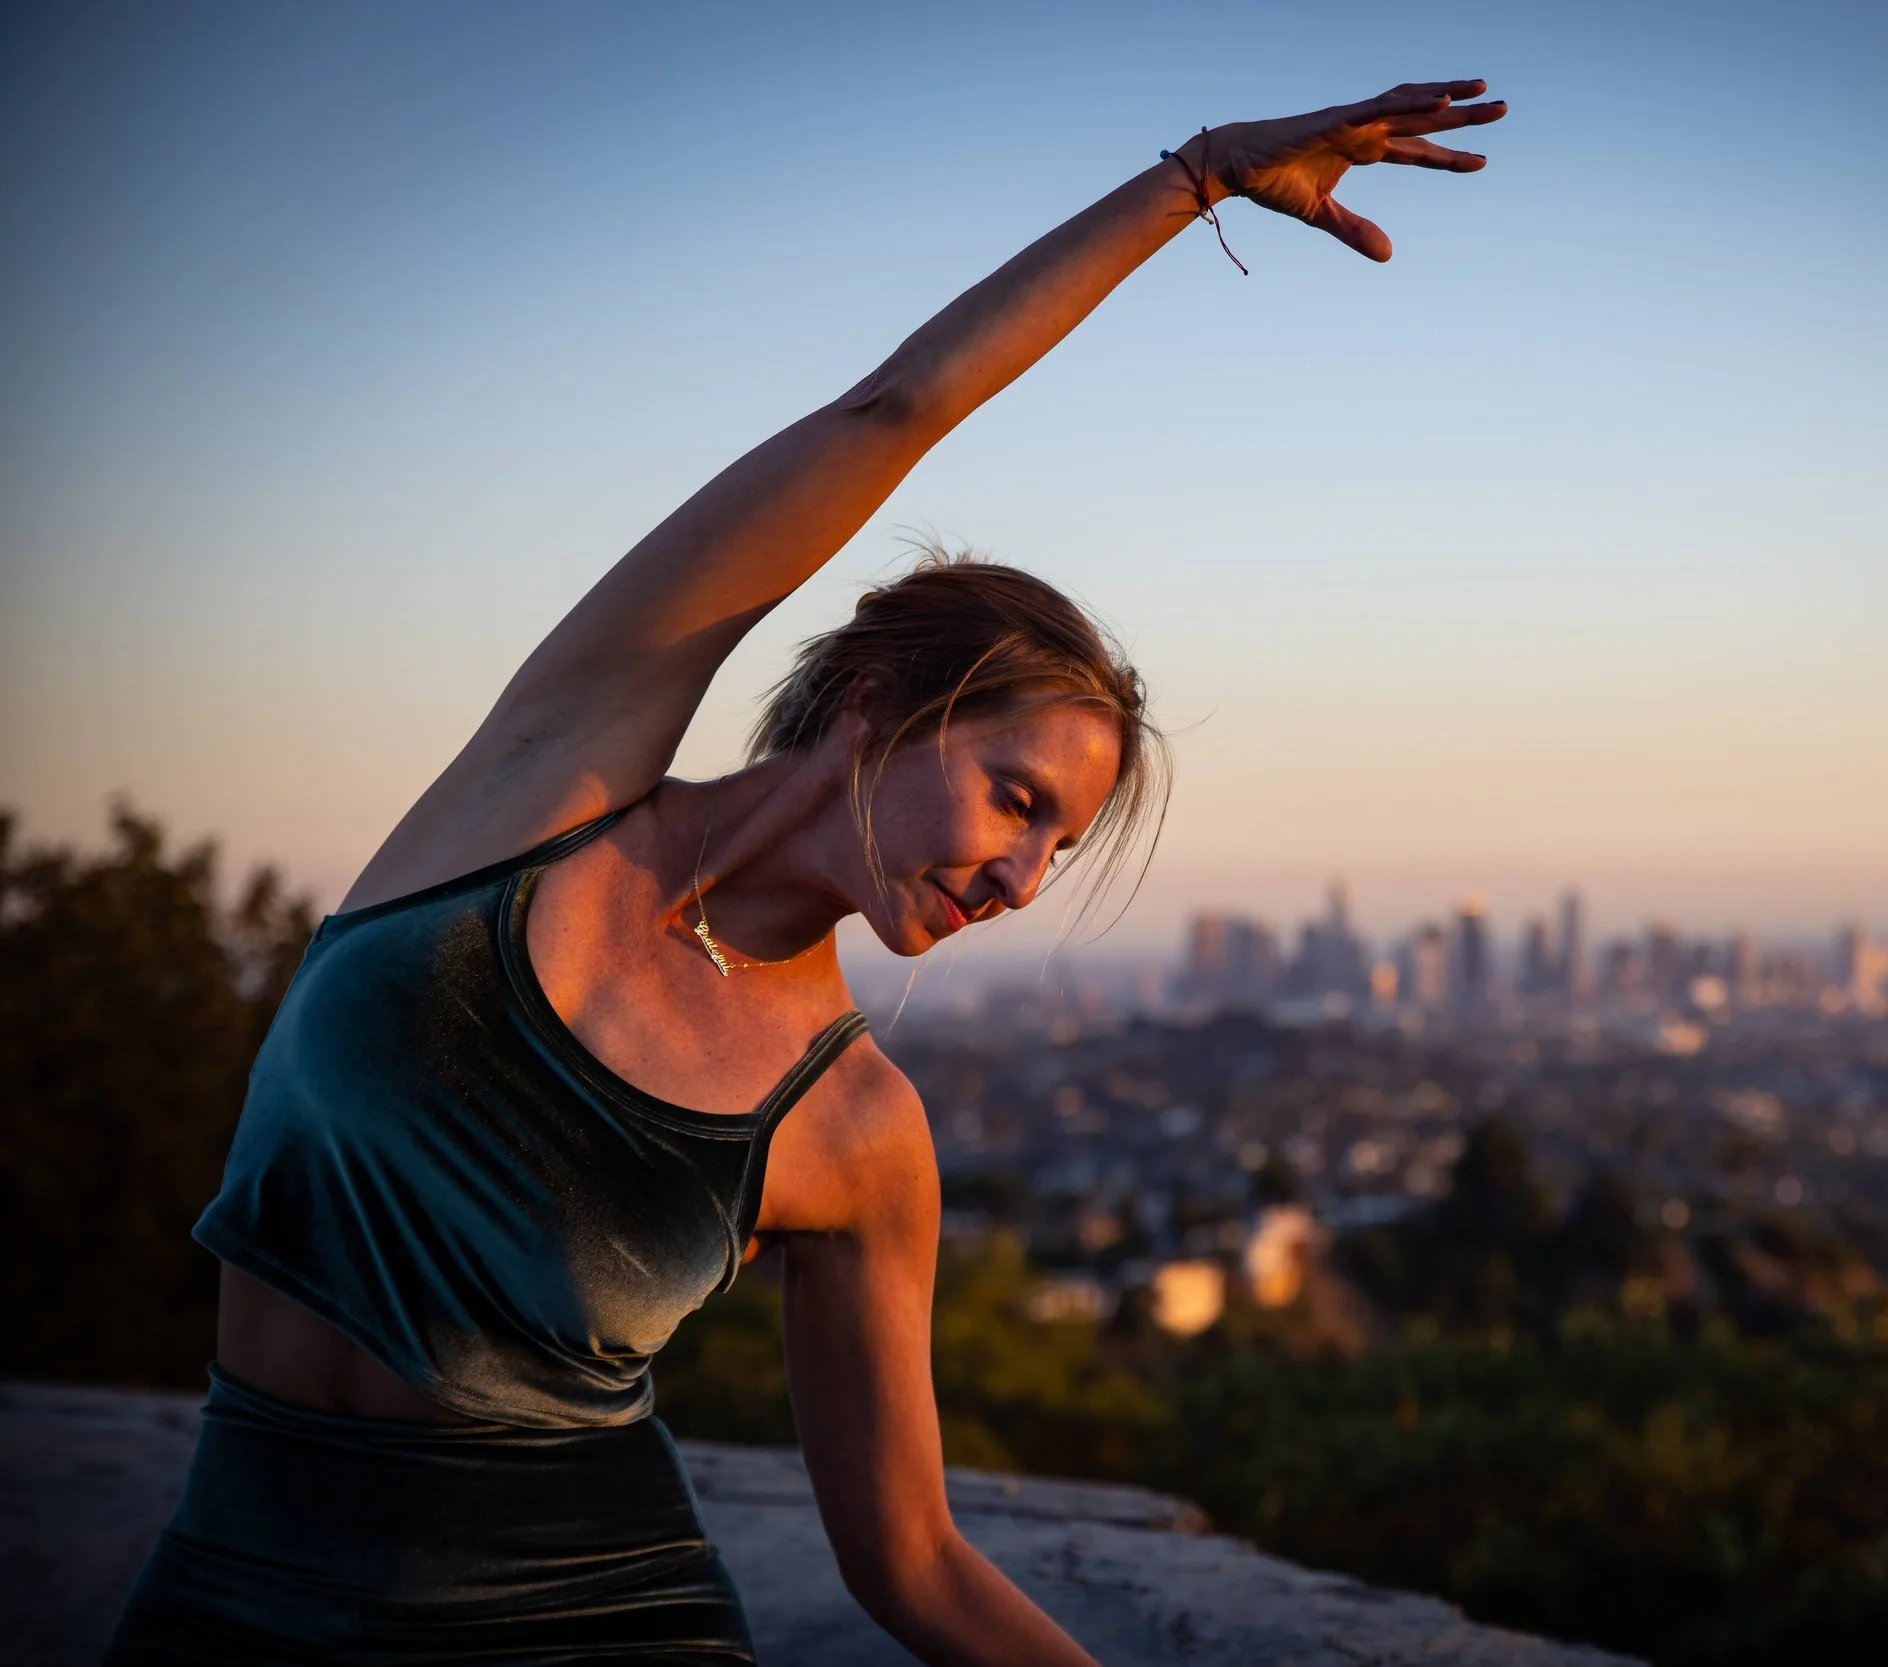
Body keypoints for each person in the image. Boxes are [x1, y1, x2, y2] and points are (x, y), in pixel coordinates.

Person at [106, 78, 1506, 1666]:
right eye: (1015, 798)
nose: (1021, 878)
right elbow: (888, 414)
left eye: (1057, 848)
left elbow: (914, 1558)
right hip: (227, 1597)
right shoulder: (545, 786)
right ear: (878, 702)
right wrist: (1194, 181)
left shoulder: (854, 1132)